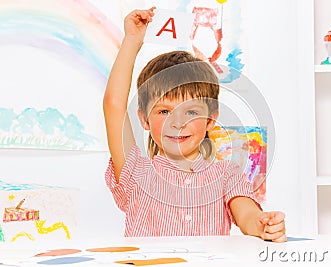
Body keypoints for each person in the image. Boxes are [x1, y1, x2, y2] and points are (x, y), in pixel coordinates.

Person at [103, 7, 286, 242]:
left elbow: (247, 215)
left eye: (190, 111)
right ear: (145, 119)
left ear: (210, 119)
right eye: (164, 111)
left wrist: (261, 225)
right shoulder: (137, 173)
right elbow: (114, 105)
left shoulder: (226, 175)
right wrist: (132, 40)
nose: (177, 123)